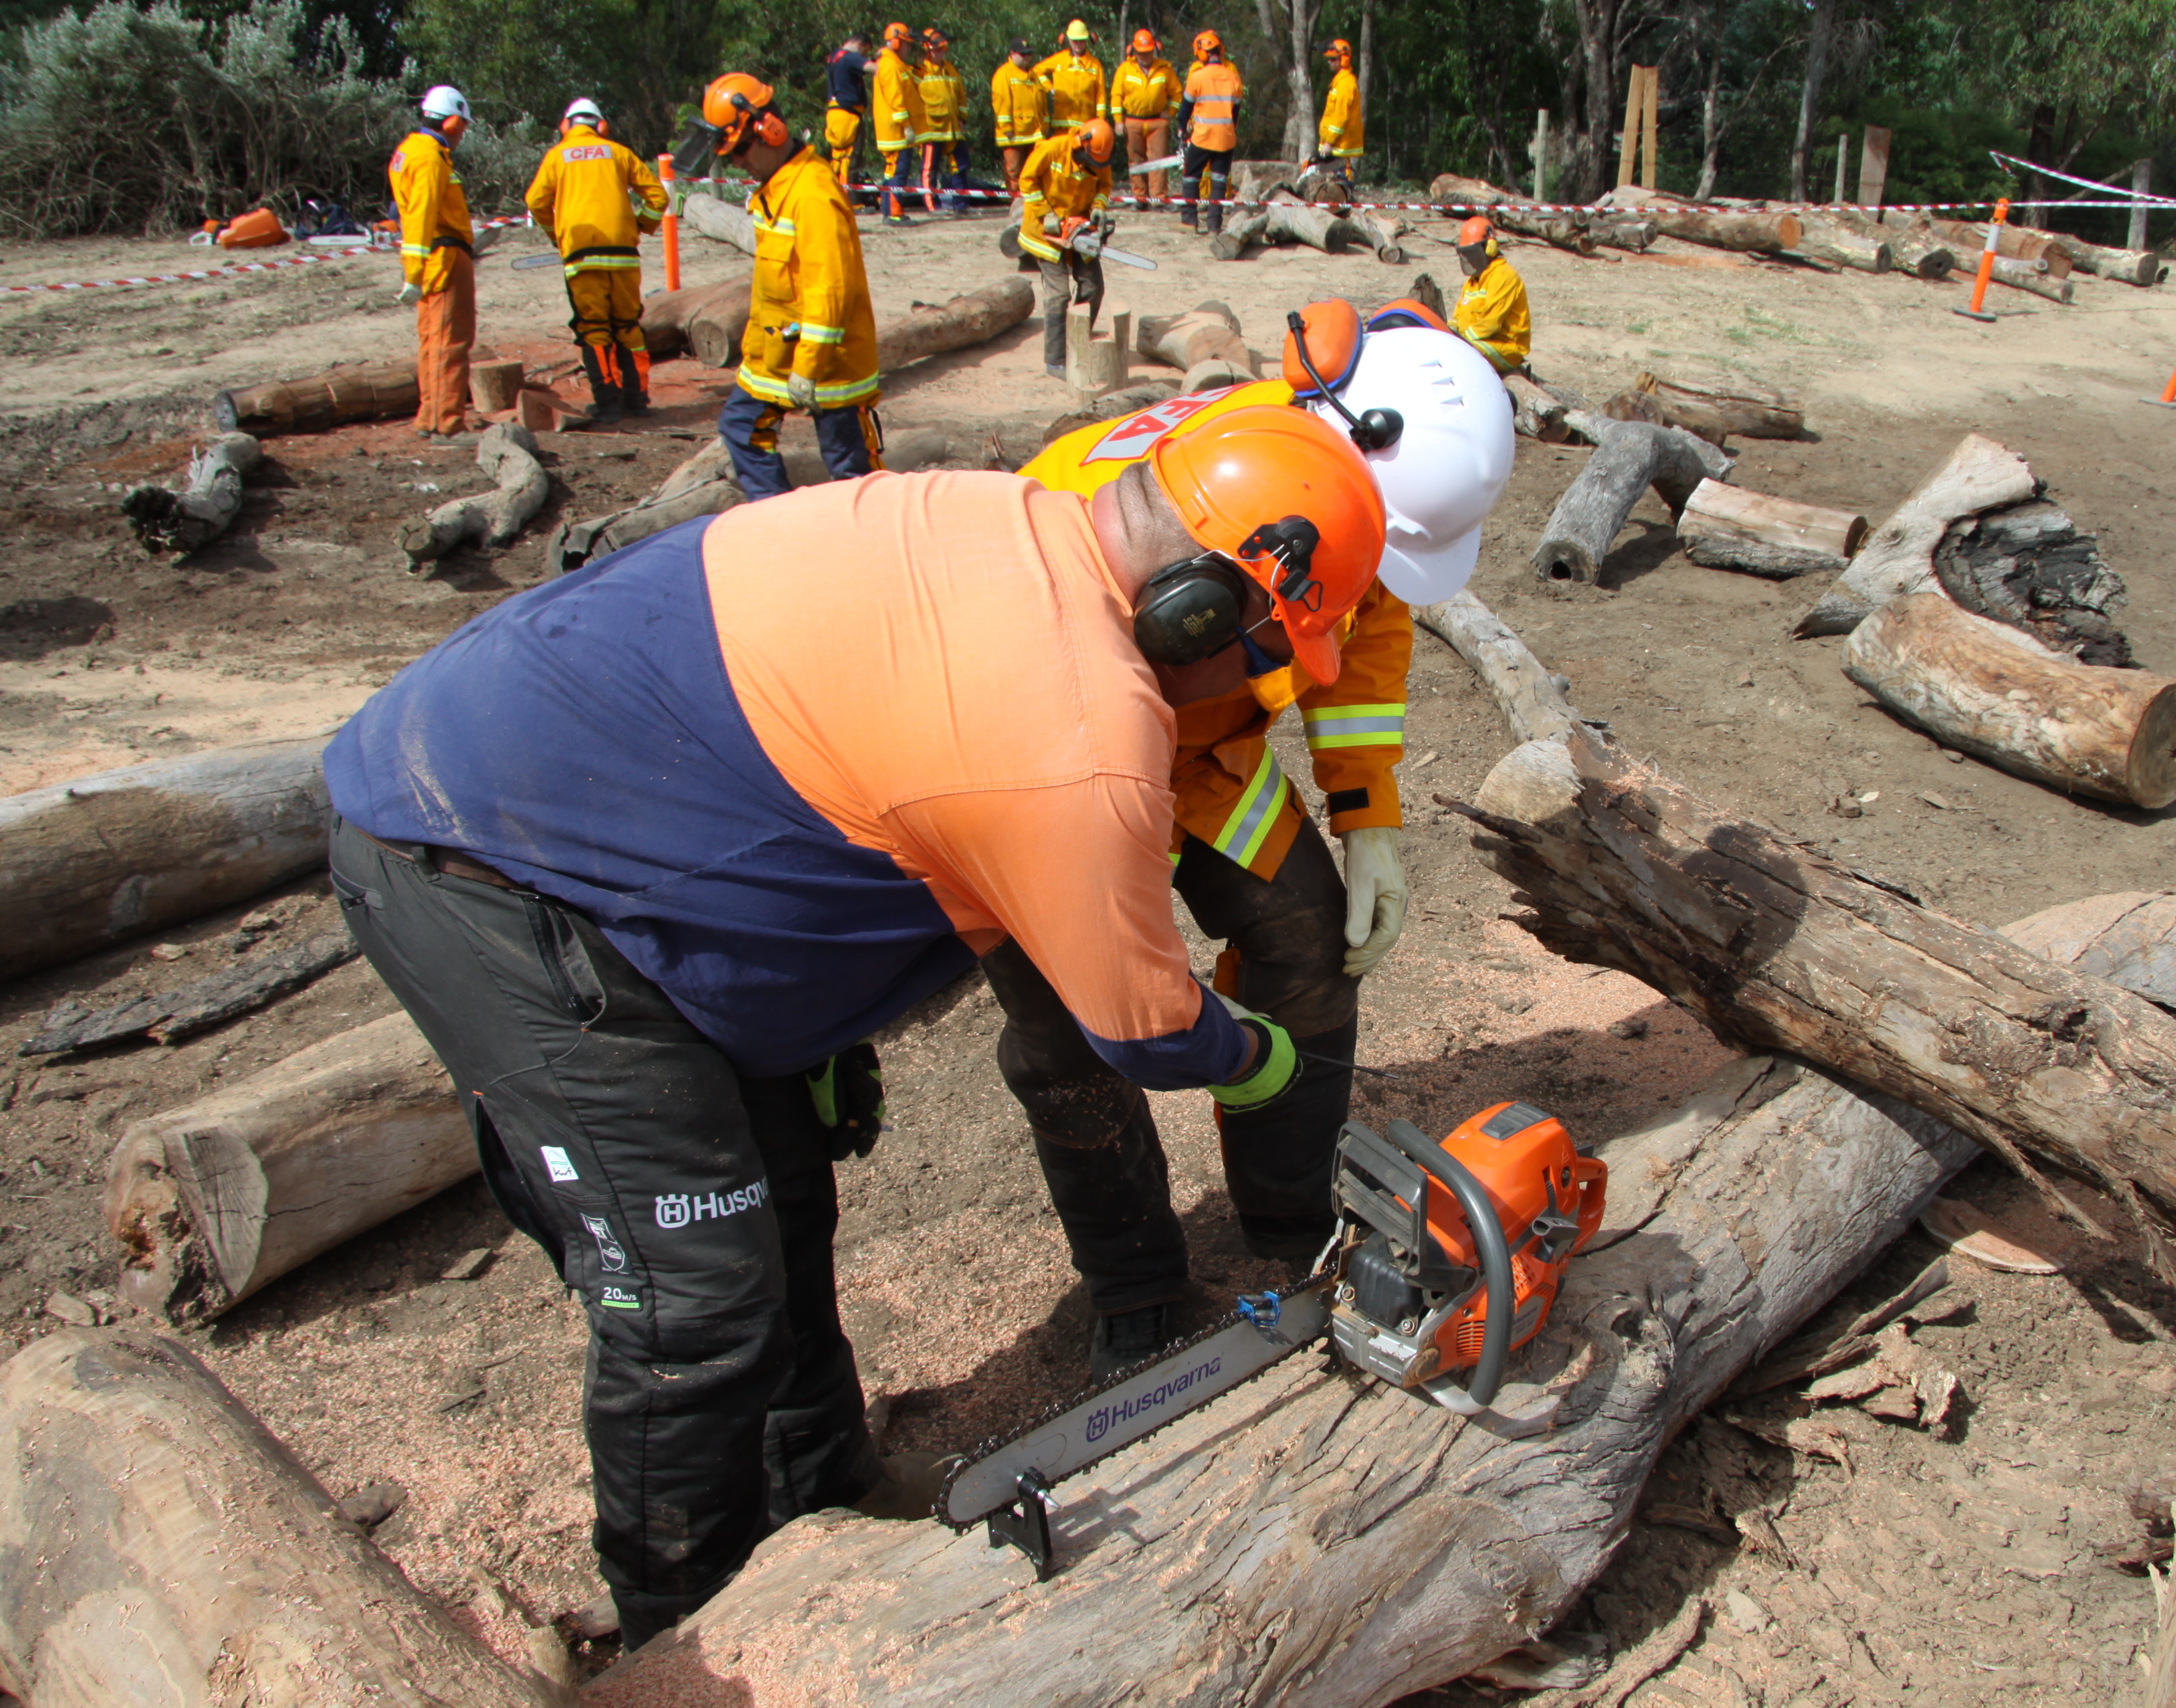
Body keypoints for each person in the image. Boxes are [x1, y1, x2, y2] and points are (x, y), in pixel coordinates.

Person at [321, 403, 1390, 1650]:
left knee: (780, 1204)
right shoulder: (1082, 722)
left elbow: (848, 758)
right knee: (696, 1299)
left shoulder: (1000, 514)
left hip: (579, 804)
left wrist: (802, 1019)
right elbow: (1143, 1028)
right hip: (487, 864)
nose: (1258, 683)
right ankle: (691, 1641)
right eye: (1264, 648)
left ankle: (816, 1506)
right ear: (1198, 605)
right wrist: (1258, 1055)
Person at [1015, 300, 1516, 1372]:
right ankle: (1135, 1283)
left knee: (1306, 938)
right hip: (1050, 757)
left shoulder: (1338, 489)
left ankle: (1291, 1223)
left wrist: (1368, 819)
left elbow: (1368, 625)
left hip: (1202, 756)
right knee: (1067, 1028)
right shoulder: (1145, 498)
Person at [697, 74, 883, 499]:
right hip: (775, 357)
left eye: (741, 150)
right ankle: (776, 520)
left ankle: (873, 544)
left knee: (851, 470)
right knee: (742, 428)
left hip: (829, 366)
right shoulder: (776, 189)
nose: (738, 162)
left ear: (771, 131)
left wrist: (809, 367)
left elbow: (830, 289)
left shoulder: (812, 194)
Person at [523, 99, 669, 424]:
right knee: (628, 325)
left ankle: (608, 405)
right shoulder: (619, 152)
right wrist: (641, 224)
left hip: (581, 256)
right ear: (601, 126)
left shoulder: (556, 156)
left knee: (594, 328)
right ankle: (637, 401)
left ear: (566, 126)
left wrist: (557, 236)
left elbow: (535, 201)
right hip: (624, 255)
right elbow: (659, 197)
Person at [392, 85, 477, 439]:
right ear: (453, 123)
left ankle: (430, 416)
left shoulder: (410, 152)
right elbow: (421, 216)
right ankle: (447, 423)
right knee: (450, 342)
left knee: (431, 341)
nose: (463, 136)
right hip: (441, 260)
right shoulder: (429, 159)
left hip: (434, 258)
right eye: (463, 128)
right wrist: (412, 273)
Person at [1019, 119, 1114, 380]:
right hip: (1046, 233)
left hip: (1080, 229)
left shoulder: (1099, 158)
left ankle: (1078, 341)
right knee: (1058, 295)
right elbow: (1026, 181)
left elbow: (1104, 186)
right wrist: (1045, 212)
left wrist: (1098, 207)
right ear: (1081, 147)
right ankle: (1056, 359)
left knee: (1094, 287)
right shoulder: (1052, 150)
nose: (1093, 166)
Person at [1177, 31, 1243, 235]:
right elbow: (1236, 112)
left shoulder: (1197, 77)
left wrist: (1181, 129)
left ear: (1203, 53)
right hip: (1226, 138)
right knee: (1219, 181)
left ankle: (1190, 221)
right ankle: (1214, 225)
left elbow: (1185, 109)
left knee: (1191, 177)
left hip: (1202, 137)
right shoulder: (1234, 77)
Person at [1110, 29, 1180, 212]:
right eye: (1141, 52)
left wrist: (1171, 112)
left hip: (1157, 122)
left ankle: (1159, 199)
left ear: (1154, 50)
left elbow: (1177, 93)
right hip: (1133, 121)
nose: (1144, 55)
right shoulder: (1125, 69)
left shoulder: (1164, 69)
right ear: (1134, 51)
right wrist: (1118, 120)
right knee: (1136, 160)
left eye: (1148, 52)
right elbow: (1117, 95)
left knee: (1159, 160)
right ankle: (1140, 198)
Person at [871, 20, 931, 223]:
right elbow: (897, 100)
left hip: (898, 130)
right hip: (897, 131)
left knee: (894, 171)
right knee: (898, 172)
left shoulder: (897, 65)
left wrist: (920, 63)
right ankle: (894, 213)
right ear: (896, 43)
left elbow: (916, 84)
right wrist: (906, 127)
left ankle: (889, 211)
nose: (909, 48)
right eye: (907, 44)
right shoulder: (890, 66)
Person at [1453, 215, 1530, 372]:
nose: (1468, 259)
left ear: (1490, 247)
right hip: (1481, 342)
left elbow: (1490, 325)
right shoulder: (1473, 282)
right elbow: (1457, 317)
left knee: (1462, 353)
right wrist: (1447, 332)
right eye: (1465, 253)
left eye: (1472, 253)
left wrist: (1460, 341)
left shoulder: (1503, 276)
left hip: (1508, 349)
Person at [917, 28, 971, 214]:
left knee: (961, 164)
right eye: (936, 49)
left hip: (953, 128)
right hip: (932, 129)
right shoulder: (921, 70)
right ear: (926, 49)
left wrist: (962, 118)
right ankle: (932, 206)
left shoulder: (950, 69)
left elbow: (961, 96)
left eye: (942, 48)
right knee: (929, 169)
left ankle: (961, 204)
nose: (940, 52)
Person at [992, 36, 1048, 208]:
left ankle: (1033, 202)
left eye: (1028, 54)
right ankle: (1016, 204)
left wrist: (1044, 127)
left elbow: (1041, 102)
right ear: (1012, 54)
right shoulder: (1004, 74)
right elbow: (1001, 103)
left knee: (1035, 169)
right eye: (1022, 55)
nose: (1026, 58)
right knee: (1014, 171)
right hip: (1013, 133)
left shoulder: (1033, 75)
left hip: (1033, 132)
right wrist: (1007, 127)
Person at [1031, 18, 1106, 140]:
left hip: (1086, 124)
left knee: (1081, 158)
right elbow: (1036, 71)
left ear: (1087, 40)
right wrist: (1050, 88)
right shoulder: (1059, 59)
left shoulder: (1095, 65)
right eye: (1074, 40)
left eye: (1081, 41)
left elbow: (1101, 95)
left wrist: (1101, 120)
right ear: (1068, 40)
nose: (1078, 44)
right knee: (1061, 157)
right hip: (1062, 122)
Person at [823, 32, 874, 188]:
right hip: (848, 114)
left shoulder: (833, 57)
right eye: (865, 52)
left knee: (838, 157)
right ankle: (853, 200)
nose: (864, 56)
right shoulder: (851, 56)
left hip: (834, 113)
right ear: (859, 45)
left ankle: (837, 194)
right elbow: (874, 68)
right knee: (852, 157)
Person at [1316, 37, 1363, 188]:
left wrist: (1329, 142)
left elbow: (1340, 118)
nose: (1329, 62)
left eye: (1333, 59)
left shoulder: (1345, 85)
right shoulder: (1339, 82)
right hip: (1335, 146)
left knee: (1339, 188)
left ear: (1344, 60)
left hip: (1338, 146)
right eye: (1329, 59)